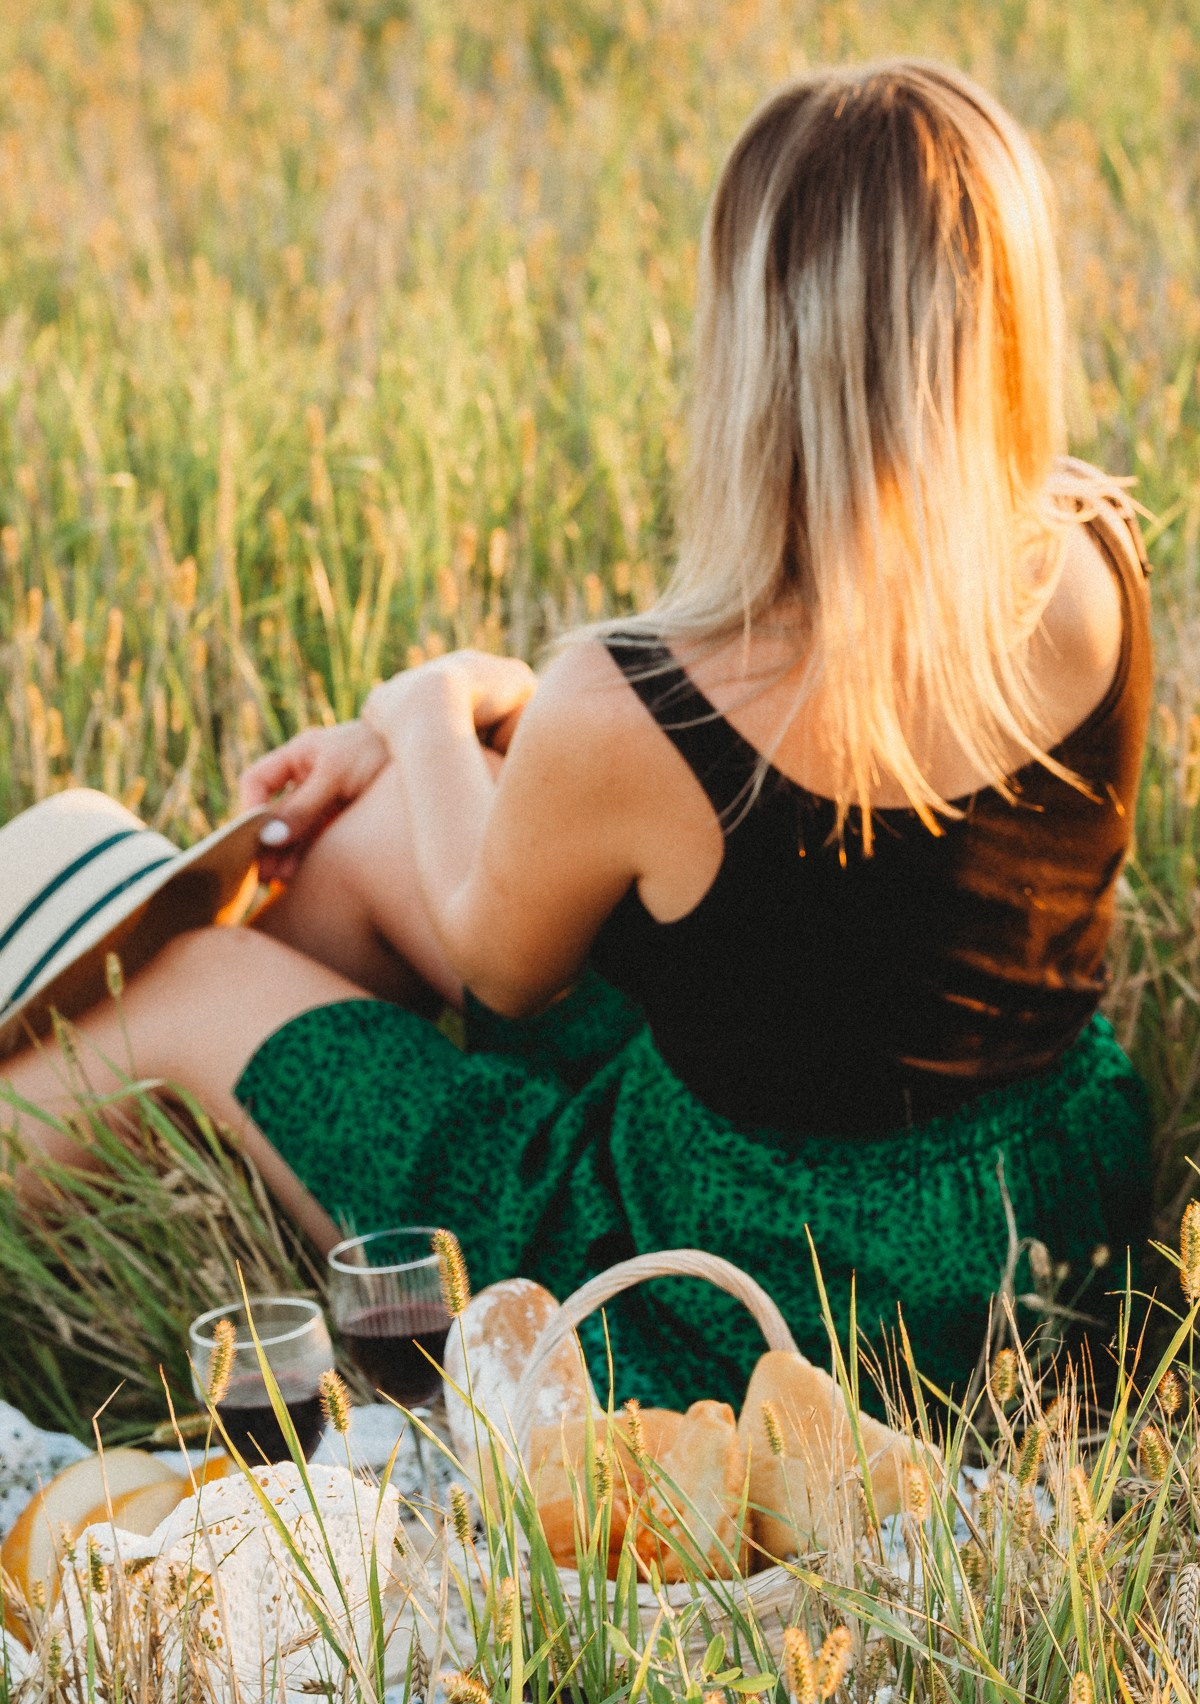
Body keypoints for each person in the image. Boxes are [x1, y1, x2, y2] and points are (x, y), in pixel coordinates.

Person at [0, 59, 1152, 1412]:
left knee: (184, 981)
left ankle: (223, 1119)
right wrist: (466, 733)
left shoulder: (644, 700)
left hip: (749, 1295)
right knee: (374, 838)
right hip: (1039, 1212)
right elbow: (804, 868)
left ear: (756, 339)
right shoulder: (1087, 553)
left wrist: (423, 706)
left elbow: (505, 969)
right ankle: (258, 1147)